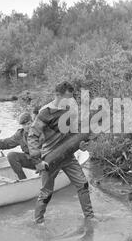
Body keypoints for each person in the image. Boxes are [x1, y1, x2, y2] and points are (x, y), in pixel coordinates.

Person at [28, 81, 94, 224]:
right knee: (46, 192)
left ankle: (90, 219)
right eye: (67, 98)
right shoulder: (45, 112)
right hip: (49, 158)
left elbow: (74, 134)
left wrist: (81, 145)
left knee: (83, 184)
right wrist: (37, 161)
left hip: (68, 156)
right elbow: (32, 136)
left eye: (71, 98)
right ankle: (38, 223)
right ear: (57, 95)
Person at [0, 112, 44, 180]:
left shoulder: (42, 131)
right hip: (32, 160)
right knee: (11, 156)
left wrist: (41, 164)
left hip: (46, 161)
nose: (27, 126)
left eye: (29, 124)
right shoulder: (20, 135)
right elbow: (7, 142)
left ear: (33, 122)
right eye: (24, 125)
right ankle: (23, 180)